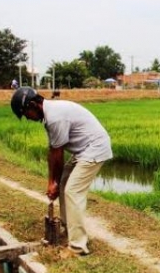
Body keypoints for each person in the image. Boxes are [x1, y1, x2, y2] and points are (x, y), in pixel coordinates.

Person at [11, 87, 112, 256]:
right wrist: (53, 182)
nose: (28, 118)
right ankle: (69, 229)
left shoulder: (55, 118)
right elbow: (53, 151)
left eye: (26, 113)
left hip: (94, 149)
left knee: (72, 191)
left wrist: (53, 183)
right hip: (83, 150)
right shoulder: (50, 114)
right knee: (65, 183)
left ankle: (78, 247)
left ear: (34, 105)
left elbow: (58, 155)